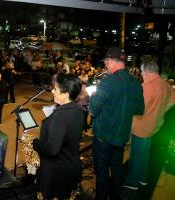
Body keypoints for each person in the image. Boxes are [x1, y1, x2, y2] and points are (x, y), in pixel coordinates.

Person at [89, 47, 144, 200]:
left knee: (102, 172)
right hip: (121, 136)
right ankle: (115, 196)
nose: (106, 65)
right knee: (117, 168)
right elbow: (140, 109)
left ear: (113, 61)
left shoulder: (106, 83)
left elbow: (93, 110)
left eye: (106, 61)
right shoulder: (135, 83)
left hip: (103, 137)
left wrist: (94, 95)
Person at [123, 57, 175, 195]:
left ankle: (133, 182)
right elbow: (173, 100)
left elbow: (138, 109)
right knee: (144, 154)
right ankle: (143, 179)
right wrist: (161, 111)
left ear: (145, 71)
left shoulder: (146, 87)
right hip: (154, 125)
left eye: (141, 71)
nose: (141, 74)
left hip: (141, 127)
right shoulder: (165, 85)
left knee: (136, 155)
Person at [32, 73, 84, 200]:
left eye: (55, 89)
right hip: (71, 164)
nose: (52, 91)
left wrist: (36, 143)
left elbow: (51, 150)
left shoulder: (60, 115)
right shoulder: (78, 109)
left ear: (66, 94)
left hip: (56, 172)